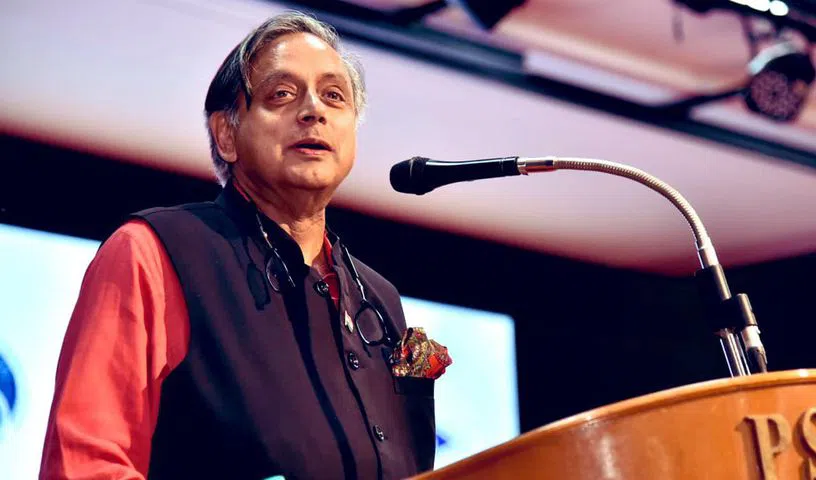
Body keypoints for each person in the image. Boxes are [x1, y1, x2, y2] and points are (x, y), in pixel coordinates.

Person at [39, 11, 449, 480]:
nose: (314, 110)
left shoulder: (380, 300)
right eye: (282, 94)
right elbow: (84, 465)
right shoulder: (152, 253)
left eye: (334, 96)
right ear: (226, 135)